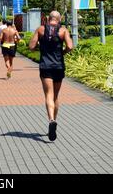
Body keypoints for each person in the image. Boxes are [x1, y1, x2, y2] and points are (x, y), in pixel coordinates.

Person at [29, 11, 73, 141]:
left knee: (48, 94)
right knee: (55, 96)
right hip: (58, 66)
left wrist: (41, 48)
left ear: (48, 19)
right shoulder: (63, 31)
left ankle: (51, 120)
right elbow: (70, 46)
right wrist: (62, 52)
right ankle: (54, 121)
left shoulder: (41, 29)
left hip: (45, 66)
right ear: (59, 19)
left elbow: (31, 46)